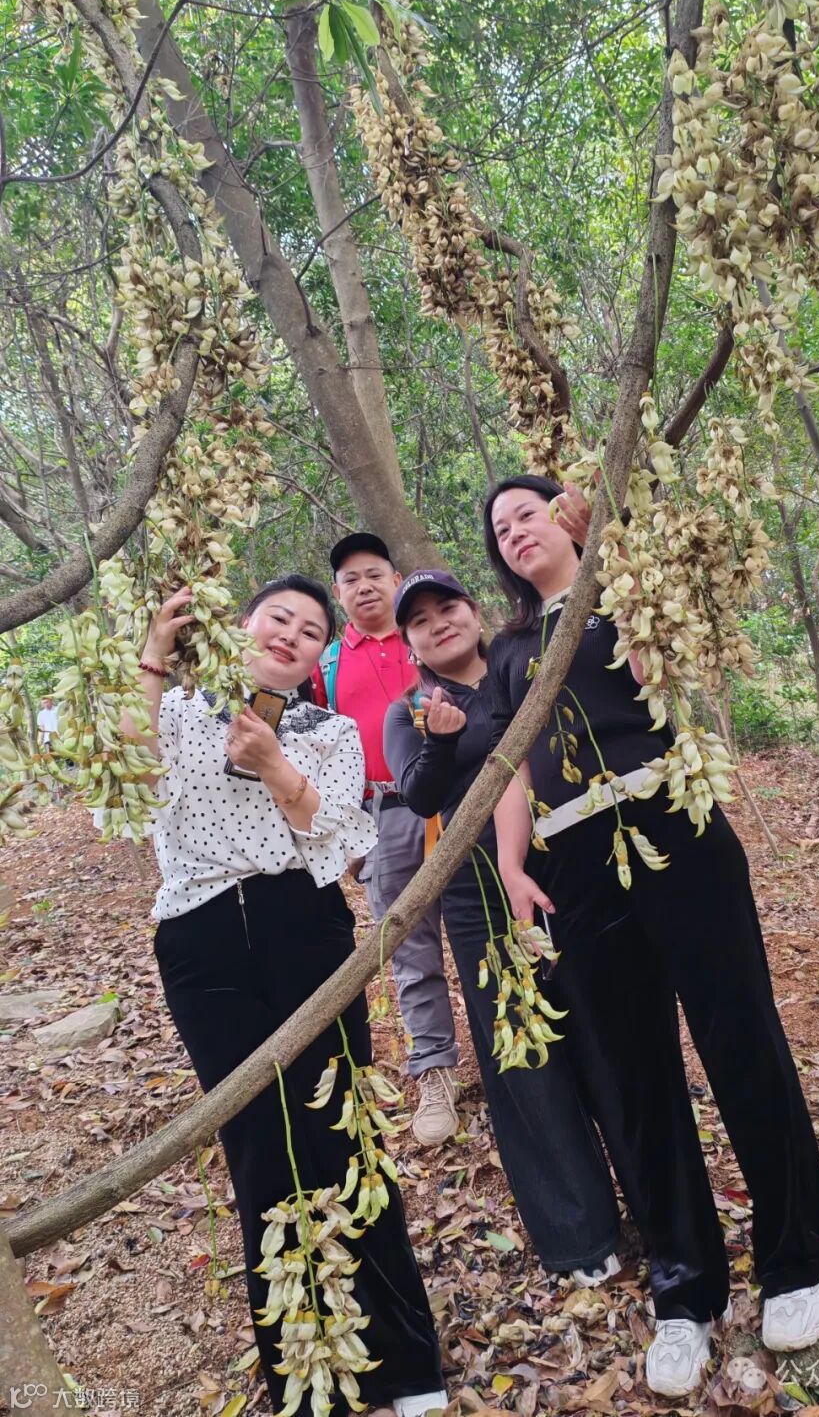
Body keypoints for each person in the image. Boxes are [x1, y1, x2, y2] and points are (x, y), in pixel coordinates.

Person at [482, 476, 819, 1399]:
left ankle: (801, 1256)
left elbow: (658, 672)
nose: (514, 532)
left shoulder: (620, 593)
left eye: (526, 513)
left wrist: (615, 558)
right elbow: (514, 763)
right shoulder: (510, 649)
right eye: (499, 529)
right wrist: (513, 867)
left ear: (565, 519)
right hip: (576, 859)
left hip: (672, 821)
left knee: (739, 1037)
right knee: (634, 1076)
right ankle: (686, 1290)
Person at [128, 575, 446, 1417]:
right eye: (278, 618)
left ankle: (407, 1364)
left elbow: (334, 835)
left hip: (303, 931)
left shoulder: (327, 730)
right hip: (200, 944)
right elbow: (125, 775)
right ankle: (309, 1381)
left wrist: (274, 764)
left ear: (318, 657)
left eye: (310, 630)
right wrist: (154, 654)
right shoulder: (179, 710)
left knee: (344, 1129)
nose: (291, 634)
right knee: (260, 1150)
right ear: (241, 627)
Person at [383, 568, 622, 1285]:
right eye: (419, 620)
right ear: (410, 644)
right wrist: (440, 740)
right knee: (522, 1055)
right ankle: (578, 1235)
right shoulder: (411, 708)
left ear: (474, 610)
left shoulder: (522, 665)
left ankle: (646, 1198)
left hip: (567, 868)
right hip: (478, 892)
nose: (437, 623)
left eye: (447, 607)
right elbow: (417, 794)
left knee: (600, 1030)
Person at [312, 534, 458, 1147]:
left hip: (462, 798)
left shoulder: (430, 633)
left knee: (494, 926)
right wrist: (346, 835)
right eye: (351, 579)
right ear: (338, 594)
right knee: (409, 948)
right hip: (384, 814)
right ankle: (437, 1074)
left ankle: (522, 1051)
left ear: (396, 579)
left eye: (374, 573)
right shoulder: (323, 666)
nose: (364, 586)